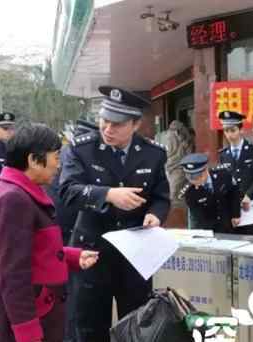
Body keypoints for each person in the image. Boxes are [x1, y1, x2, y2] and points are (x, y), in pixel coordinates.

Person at [59, 85, 170, 342]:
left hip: (135, 253)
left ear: (135, 124)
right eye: (104, 121)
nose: (107, 129)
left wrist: (155, 215)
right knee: (88, 322)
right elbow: (68, 191)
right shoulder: (82, 149)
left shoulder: (153, 154)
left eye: (117, 124)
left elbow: (161, 197)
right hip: (92, 250)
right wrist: (107, 194)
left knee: (136, 321)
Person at [0, 124, 99, 342]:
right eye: (55, 157)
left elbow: (29, 248)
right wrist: (27, 331)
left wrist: (70, 256)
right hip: (26, 321)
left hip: (39, 310)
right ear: (34, 160)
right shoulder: (13, 199)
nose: (58, 165)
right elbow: (13, 273)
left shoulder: (20, 191)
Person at [218, 110, 253, 235]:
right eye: (226, 131)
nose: (229, 134)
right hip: (232, 210)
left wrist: (249, 194)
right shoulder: (224, 155)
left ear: (241, 130)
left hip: (251, 206)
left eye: (232, 130)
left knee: (252, 242)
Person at [179, 153, 241, 234]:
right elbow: (198, 218)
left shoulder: (222, 174)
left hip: (231, 223)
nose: (195, 181)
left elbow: (234, 193)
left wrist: (236, 214)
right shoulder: (189, 191)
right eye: (191, 179)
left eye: (198, 177)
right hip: (210, 230)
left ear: (205, 169)